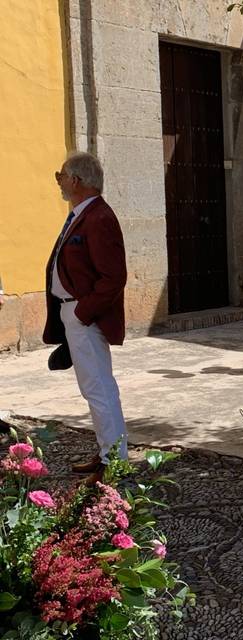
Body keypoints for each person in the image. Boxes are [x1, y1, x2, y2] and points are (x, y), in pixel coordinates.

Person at [44, 151, 128, 485]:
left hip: (84, 314)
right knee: (97, 387)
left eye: (61, 175)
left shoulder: (99, 218)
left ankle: (113, 461)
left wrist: (82, 312)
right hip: (75, 312)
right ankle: (109, 450)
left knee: (98, 388)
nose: (60, 181)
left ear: (76, 180)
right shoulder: (84, 214)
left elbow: (113, 277)